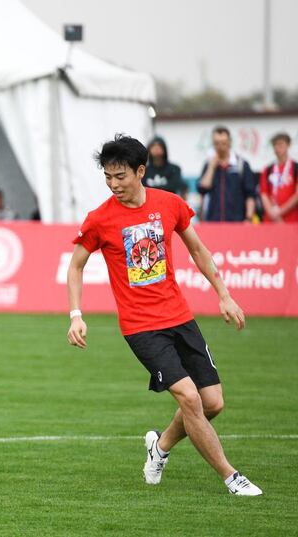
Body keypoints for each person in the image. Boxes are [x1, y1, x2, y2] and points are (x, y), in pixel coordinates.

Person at [65, 134, 262, 496]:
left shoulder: (169, 204)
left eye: (120, 176)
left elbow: (199, 251)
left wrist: (225, 295)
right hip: (141, 328)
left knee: (212, 403)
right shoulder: (99, 219)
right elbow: (75, 266)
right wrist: (76, 314)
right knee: (189, 398)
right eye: (108, 177)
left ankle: (160, 447)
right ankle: (232, 476)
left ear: (141, 171)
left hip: (180, 317)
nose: (113, 184)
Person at [197, 126, 256, 222]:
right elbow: (202, 189)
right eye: (216, 143)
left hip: (237, 222)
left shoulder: (241, 164)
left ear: (229, 142)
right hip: (212, 221)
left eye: (223, 143)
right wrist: (211, 167)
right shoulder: (209, 164)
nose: (220, 147)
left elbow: (250, 194)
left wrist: (248, 218)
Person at [259, 132, 298, 223]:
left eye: (280, 144)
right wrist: (273, 214)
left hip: (291, 219)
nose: (277, 148)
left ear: (288, 145)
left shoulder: (295, 168)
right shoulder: (267, 170)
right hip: (270, 219)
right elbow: (264, 194)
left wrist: (281, 211)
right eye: (275, 145)